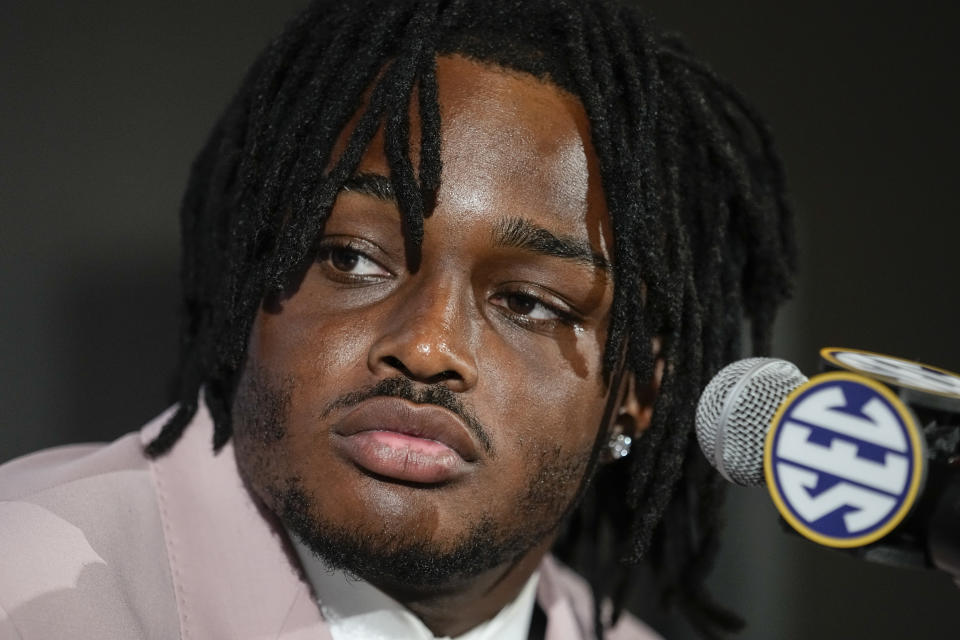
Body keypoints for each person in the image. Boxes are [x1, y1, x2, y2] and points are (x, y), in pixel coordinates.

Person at [0, 0, 795, 638]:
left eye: (527, 303)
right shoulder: (31, 582)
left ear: (637, 391)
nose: (426, 346)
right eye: (350, 258)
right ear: (250, 276)